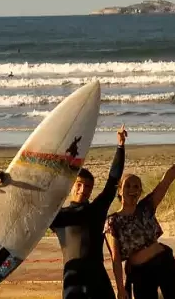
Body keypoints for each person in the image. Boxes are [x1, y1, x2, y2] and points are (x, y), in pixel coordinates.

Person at [106, 136, 175, 299]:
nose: (132, 189)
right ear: (119, 191)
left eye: (136, 186)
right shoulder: (112, 221)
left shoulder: (146, 208)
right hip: (141, 274)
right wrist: (120, 289)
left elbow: (167, 180)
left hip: (166, 264)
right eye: (127, 185)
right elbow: (116, 259)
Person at [49, 125, 127, 299]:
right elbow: (33, 204)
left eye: (88, 187)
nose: (83, 189)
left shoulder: (96, 210)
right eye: (79, 184)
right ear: (71, 186)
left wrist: (120, 146)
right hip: (73, 280)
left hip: (98, 281)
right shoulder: (57, 216)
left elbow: (113, 180)